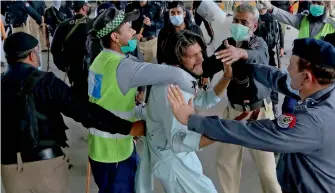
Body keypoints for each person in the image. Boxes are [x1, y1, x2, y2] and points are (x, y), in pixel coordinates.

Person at [167, 38, 335, 193]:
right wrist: (245, 65)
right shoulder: (324, 89)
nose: (287, 70)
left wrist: (193, 119)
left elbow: (250, 132)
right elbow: (278, 78)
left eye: (290, 67)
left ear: (306, 77)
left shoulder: (314, 121)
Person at [1, 32, 145, 193]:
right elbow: (85, 112)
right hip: (46, 168)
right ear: (33, 56)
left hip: (9, 170)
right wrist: (128, 127)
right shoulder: (45, 82)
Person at [86, 8, 197, 192]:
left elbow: (105, 100)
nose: (134, 33)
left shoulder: (100, 59)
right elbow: (173, 74)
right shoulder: (123, 66)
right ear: (115, 37)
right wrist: (196, 86)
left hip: (100, 149)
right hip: (115, 153)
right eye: (129, 29)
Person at [137, 30, 234, 193]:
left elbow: (202, 100)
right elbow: (177, 141)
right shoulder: (170, 89)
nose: (201, 59)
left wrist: (227, 77)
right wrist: (221, 132)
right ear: (176, 61)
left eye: (200, 53)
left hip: (179, 160)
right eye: (192, 56)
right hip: (174, 163)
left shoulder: (179, 77)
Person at [201, 4, 282, 193]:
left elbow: (259, 56)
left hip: (259, 114)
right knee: (225, 164)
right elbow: (209, 66)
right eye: (236, 20)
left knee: (268, 173)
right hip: (233, 113)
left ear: (253, 26)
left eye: (243, 22)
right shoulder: (227, 44)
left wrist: (241, 53)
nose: (238, 24)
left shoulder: (258, 43)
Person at [51, 0, 93, 100]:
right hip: (93, 68)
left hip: (73, 70)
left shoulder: (63, 25)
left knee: (78, 97)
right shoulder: (93, 23)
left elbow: (54, 49)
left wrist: (64, 66)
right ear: (84, 8)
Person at [255, 2, 285, 117]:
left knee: (273, 78)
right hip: (257, 53)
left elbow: (280, 32)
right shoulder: (254, 16)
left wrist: (281, 46)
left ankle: (274, 103)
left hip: (270, 53)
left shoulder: (273, 17)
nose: (261, 3)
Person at [260, 0, 335, 40]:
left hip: (321, 66)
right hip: (301, 62)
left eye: (319, 3)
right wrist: (270, 7)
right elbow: (286, 16)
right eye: (314, 2)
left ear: (327, 6)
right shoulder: (303, 19)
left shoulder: (332, 25)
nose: (315, 5)